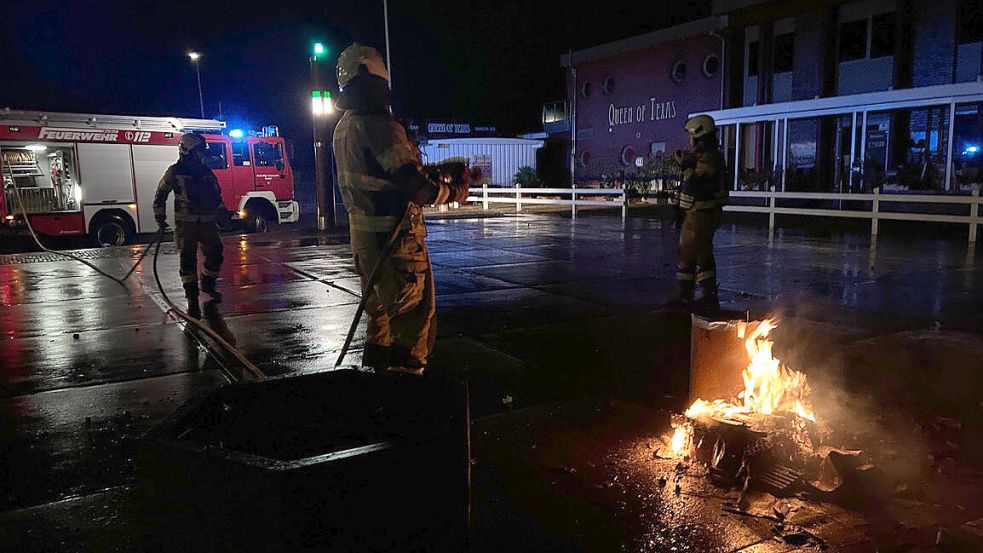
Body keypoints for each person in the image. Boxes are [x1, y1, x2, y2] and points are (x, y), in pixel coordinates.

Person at [333, 43, 469, 375]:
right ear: (375, 76)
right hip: (397, 247)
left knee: (379, 322)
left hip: (366, 245)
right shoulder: (379, 125)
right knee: (412, 328)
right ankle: (405, 409)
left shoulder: (344, 127)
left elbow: (384, 176)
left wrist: (430, 170)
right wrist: (453, 192)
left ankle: (376, 393)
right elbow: (413, 187)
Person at [153, 133, 226, 319]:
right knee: (188, 259)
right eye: (200, 151)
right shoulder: (175, 172)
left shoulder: (205, 172)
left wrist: (223, 213)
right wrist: (160, 218)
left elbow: (217, 195)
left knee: (216, 251)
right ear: (189, 151)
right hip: (187, 225)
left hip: (207, 222)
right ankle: (192, 299)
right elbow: (161, 194)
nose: (203, 155)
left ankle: (208, 285)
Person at [672, 114, 728, 312]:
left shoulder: (710, 159)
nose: (689, 140)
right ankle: (686, 296)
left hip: (703, 214)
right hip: (695, 214)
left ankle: (708, 296)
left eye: (691, 136)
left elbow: (695, 185)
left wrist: (685, 166)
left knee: (701, 254)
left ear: (700, 135)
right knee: (687, 253)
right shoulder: (703, 157)